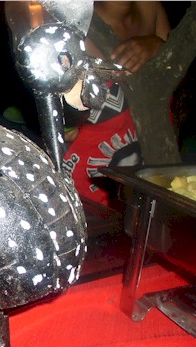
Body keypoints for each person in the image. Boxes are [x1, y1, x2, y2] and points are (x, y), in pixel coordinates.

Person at [61, 1, 171, 206]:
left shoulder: (150, 7)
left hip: (139, 189)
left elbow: (175, 80)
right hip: (81, 196)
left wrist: (158, 46)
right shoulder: (71, 18)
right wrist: (67, 122)